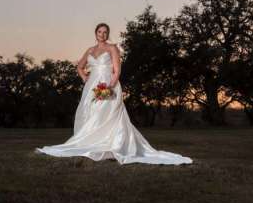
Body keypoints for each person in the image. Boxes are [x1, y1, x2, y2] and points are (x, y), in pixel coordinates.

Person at [35, 22, 192, 165]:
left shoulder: (112, 48)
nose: (102, 34)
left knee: (105, 113)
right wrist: (84, 78)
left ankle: (111, 145)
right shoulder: (90, 50)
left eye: (105, 32)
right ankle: (90, 142)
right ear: (95, 33)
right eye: (99, 31)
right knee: (89, 112)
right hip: (91, 86)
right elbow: (80, 66)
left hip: (107, 84)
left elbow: (117, 71)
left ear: (107, 34)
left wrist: (108, 88)